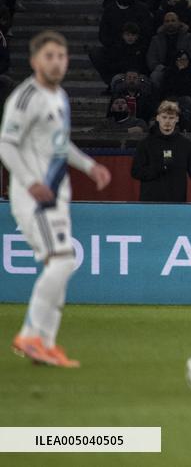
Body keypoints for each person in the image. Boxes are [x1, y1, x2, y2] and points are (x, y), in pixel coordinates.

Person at [1, 31, 111, 367]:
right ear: (35, 61)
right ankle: (31, 335)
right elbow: (6, 145)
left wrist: (91, 166)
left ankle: (44, 345)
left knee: (59, 266)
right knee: (62, 261)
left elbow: (61, 146)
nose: (57, 62)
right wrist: (31, 182)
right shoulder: (25, 98)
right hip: (36, 196)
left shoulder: (60, 96)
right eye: (49, 56)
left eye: (62, 56)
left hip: (57, 195)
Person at [131, 100, 191, 203]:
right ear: (158, 118)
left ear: (177, 119)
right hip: (150, 202)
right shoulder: (145, 144)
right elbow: (136, 172)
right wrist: (157, 168)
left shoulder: (187, 145)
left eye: (171, 118)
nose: (167, 121)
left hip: (176, 202)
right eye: (164, 117)